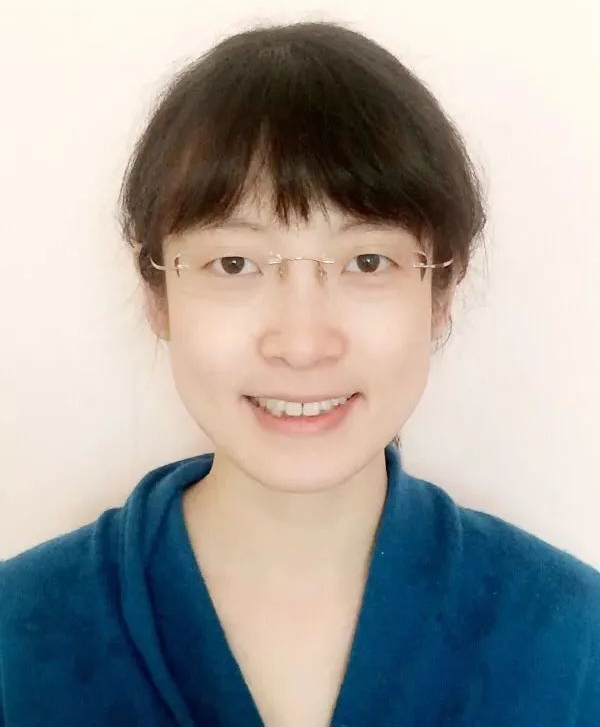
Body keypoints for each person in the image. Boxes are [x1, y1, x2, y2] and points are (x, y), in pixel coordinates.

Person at [0, 19, 598, 727]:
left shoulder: (572, 640)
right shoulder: (20, 632)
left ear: (442, 291)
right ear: (157, 294)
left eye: (367, 261)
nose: (303, 343)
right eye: (234, 263)